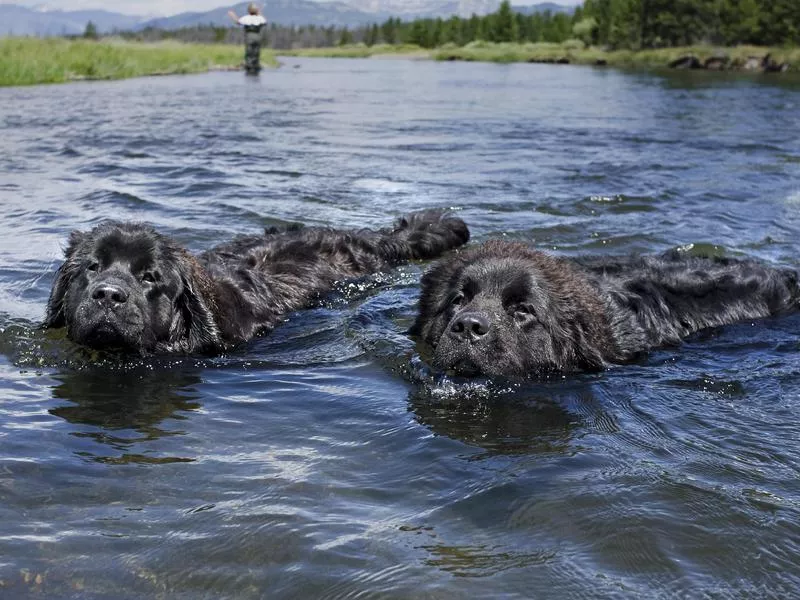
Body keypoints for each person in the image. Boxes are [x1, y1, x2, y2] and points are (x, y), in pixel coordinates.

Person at [228, 3, 267, 75]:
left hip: (249, 36)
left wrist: (232, 15)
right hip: (257, 36)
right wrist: (260, 13)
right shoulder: (260, 18)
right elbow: (264, 22)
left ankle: (249, 67)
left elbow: (238, 22)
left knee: (249, 52)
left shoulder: (246, 17)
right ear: (256, 11)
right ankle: (255, 66)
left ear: (249, 10)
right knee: (256, 52)